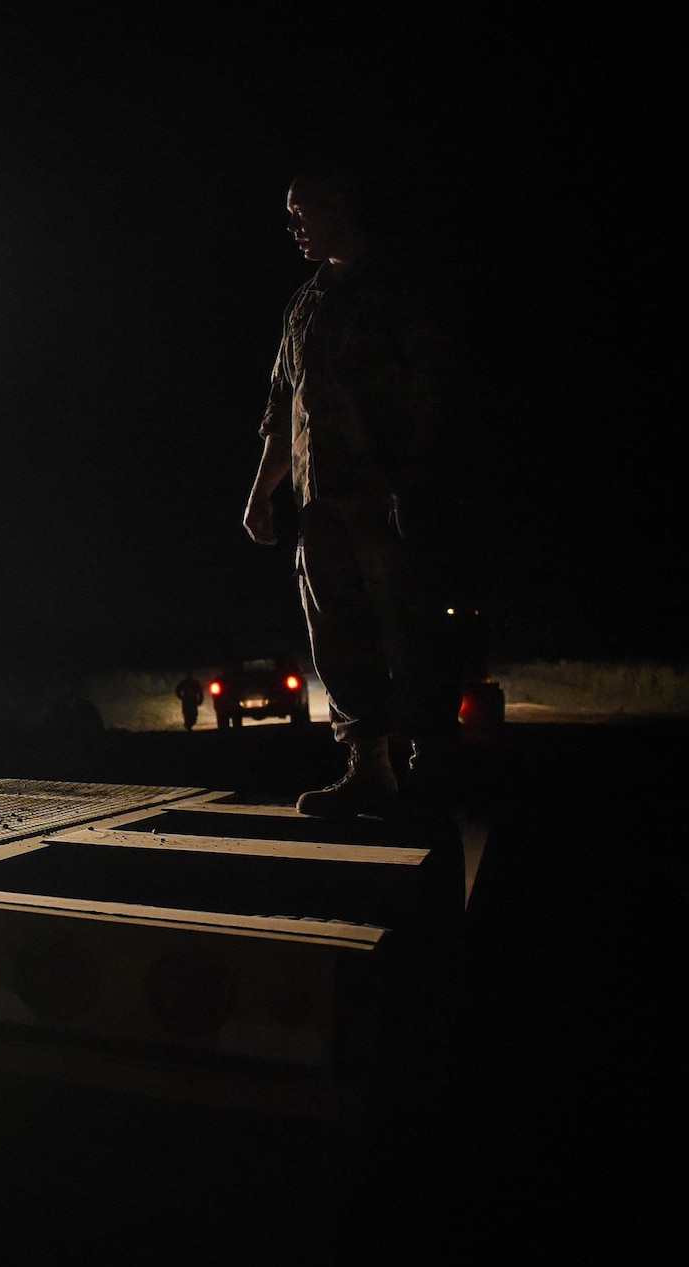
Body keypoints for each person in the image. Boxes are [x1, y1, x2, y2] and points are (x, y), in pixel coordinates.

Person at [243, 172, 459, 817]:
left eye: (301, 210)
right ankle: (370, 766)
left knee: (408, 626)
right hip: (321, 502)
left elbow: (437, 392)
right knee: (335, 632)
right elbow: (284, 409)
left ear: (342, 205)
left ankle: (435, 765)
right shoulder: (304, 304)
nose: (293, 225)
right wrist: (261, 496)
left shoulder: (402, 288)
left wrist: (419, 478)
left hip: (388, 495)